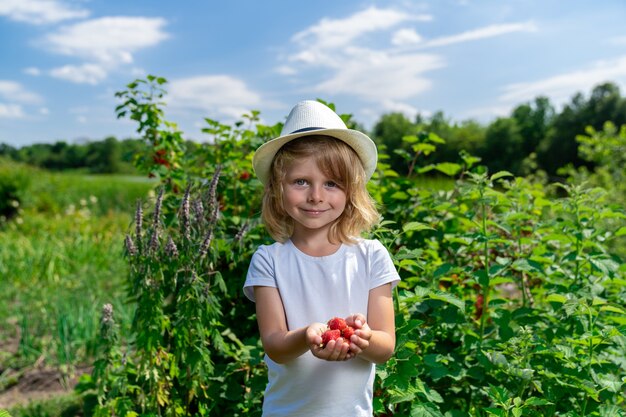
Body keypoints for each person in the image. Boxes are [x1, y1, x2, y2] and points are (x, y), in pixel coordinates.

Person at [243, 100, 400, 417]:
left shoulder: (371, 256)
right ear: (278, 189)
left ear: (351, 191)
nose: (316, 195)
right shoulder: (268, 260)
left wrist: (361, 338)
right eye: (301, 182)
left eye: (331, 183)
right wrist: (307, 335)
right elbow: (275, 345)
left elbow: (385, 346)